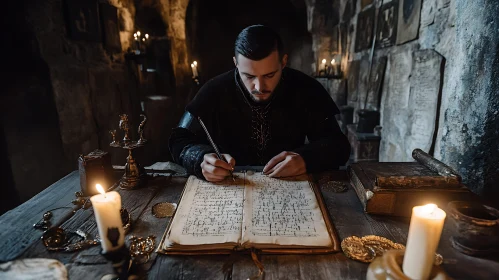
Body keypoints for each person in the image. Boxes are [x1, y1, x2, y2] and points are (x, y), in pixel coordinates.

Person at [169, 25, 350, 182]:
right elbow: (178, 140)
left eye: (269, 75)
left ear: (284, 62)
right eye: (248, 76)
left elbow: (339, 145)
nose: (259, 86)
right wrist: (200, 159)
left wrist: (306, 159)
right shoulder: (213, 91)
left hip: (289, 189)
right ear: (236, 64)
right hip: (228, 189)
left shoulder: (306, 88)